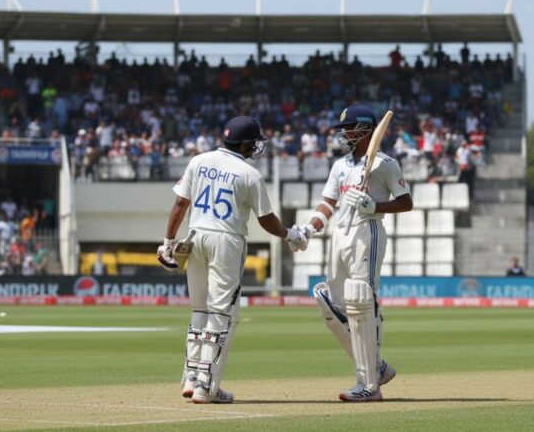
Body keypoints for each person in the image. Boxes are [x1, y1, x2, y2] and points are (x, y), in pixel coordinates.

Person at [159, 115, 307, 404]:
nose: (256, 147)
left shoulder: (198, 161)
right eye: (254, 142)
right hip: (227, 241)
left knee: (199, 310)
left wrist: (167, 243)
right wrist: (291, 235)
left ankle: (191, 376)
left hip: (195, 235)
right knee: (221, 313)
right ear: (245, 143)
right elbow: (266, 220)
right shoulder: (248, 173)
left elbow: (180, 202)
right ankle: (206, 386)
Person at [294, 104, 413, 402]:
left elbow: (405, 202)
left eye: (347, 129)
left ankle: (369, 384)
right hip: (340, 235)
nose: (342, 134)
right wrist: (309, 228)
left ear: (362, 130)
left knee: (361, 301)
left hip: (367, 233)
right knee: (329, 302)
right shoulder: (340, 166)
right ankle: (376, 366)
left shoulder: (385, 164)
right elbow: (328, 204)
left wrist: (375, 206)